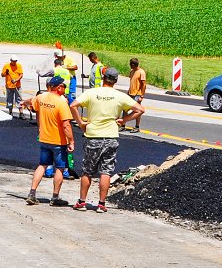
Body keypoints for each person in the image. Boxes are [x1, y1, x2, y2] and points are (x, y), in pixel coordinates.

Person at [71, 67, 145, 212]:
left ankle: (82, 201)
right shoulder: (119, 96)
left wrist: (81, 123)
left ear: (103, 77)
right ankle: (101, 203)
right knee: (106, 171)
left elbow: (73, 105)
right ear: (116, 81)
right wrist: (124, 120)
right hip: (111, 136)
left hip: (93, 136)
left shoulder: (92, 93)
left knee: (88, 170)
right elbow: (140, 110)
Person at [23, 75, 76, 206]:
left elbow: (31, 101)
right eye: (64, 86)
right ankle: (55, 197)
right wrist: (71, 141)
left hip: (44, 138)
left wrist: (24, 102)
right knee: (60, 168)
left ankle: (32, 193)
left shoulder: (42, 97)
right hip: (58, 141)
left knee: (42, 165)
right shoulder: (61, 102)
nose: (65, 89)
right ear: (58, 87)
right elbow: (66, 125)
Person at [126, 58, 147, 131]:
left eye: (130, 65)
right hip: (130, 93)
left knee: (137, 110)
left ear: (133, 65)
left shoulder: (141, 72)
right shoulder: (132, 71)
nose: (130, 66)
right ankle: (123, 124)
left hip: (137, 94)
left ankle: (137, 126)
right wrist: (128, 91)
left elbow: (143, 85)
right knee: (125, 109)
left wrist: (142, 95)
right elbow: (132, 82)